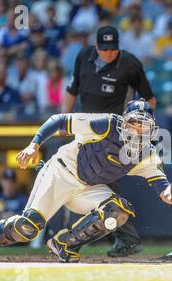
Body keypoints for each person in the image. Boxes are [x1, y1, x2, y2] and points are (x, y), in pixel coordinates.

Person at [0, 99, 172, 263]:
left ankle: (64, 244)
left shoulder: (147, 154)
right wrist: (34, 145)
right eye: (133, 124)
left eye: (143, 127)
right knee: (28, 228)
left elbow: (163, 189)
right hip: (61, 173)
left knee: (117, 213)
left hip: (88, 188)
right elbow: (59, 120)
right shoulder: (106, 125)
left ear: (152, 131)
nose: (137, 131)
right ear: (123, 122)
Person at [61, 25, 157, 257]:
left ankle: (122, 239)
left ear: (118, 47)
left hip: (113, 135)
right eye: (104, 49)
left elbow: (150, 100)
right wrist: (64, 122)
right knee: (85, 185)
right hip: (85, 130)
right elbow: (72, 90)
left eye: (113, 49)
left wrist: (138, 132)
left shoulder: (130, 64)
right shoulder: (83, 56)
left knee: (102, 187)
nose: (109, 53)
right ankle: (116, 238)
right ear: (96, 47)